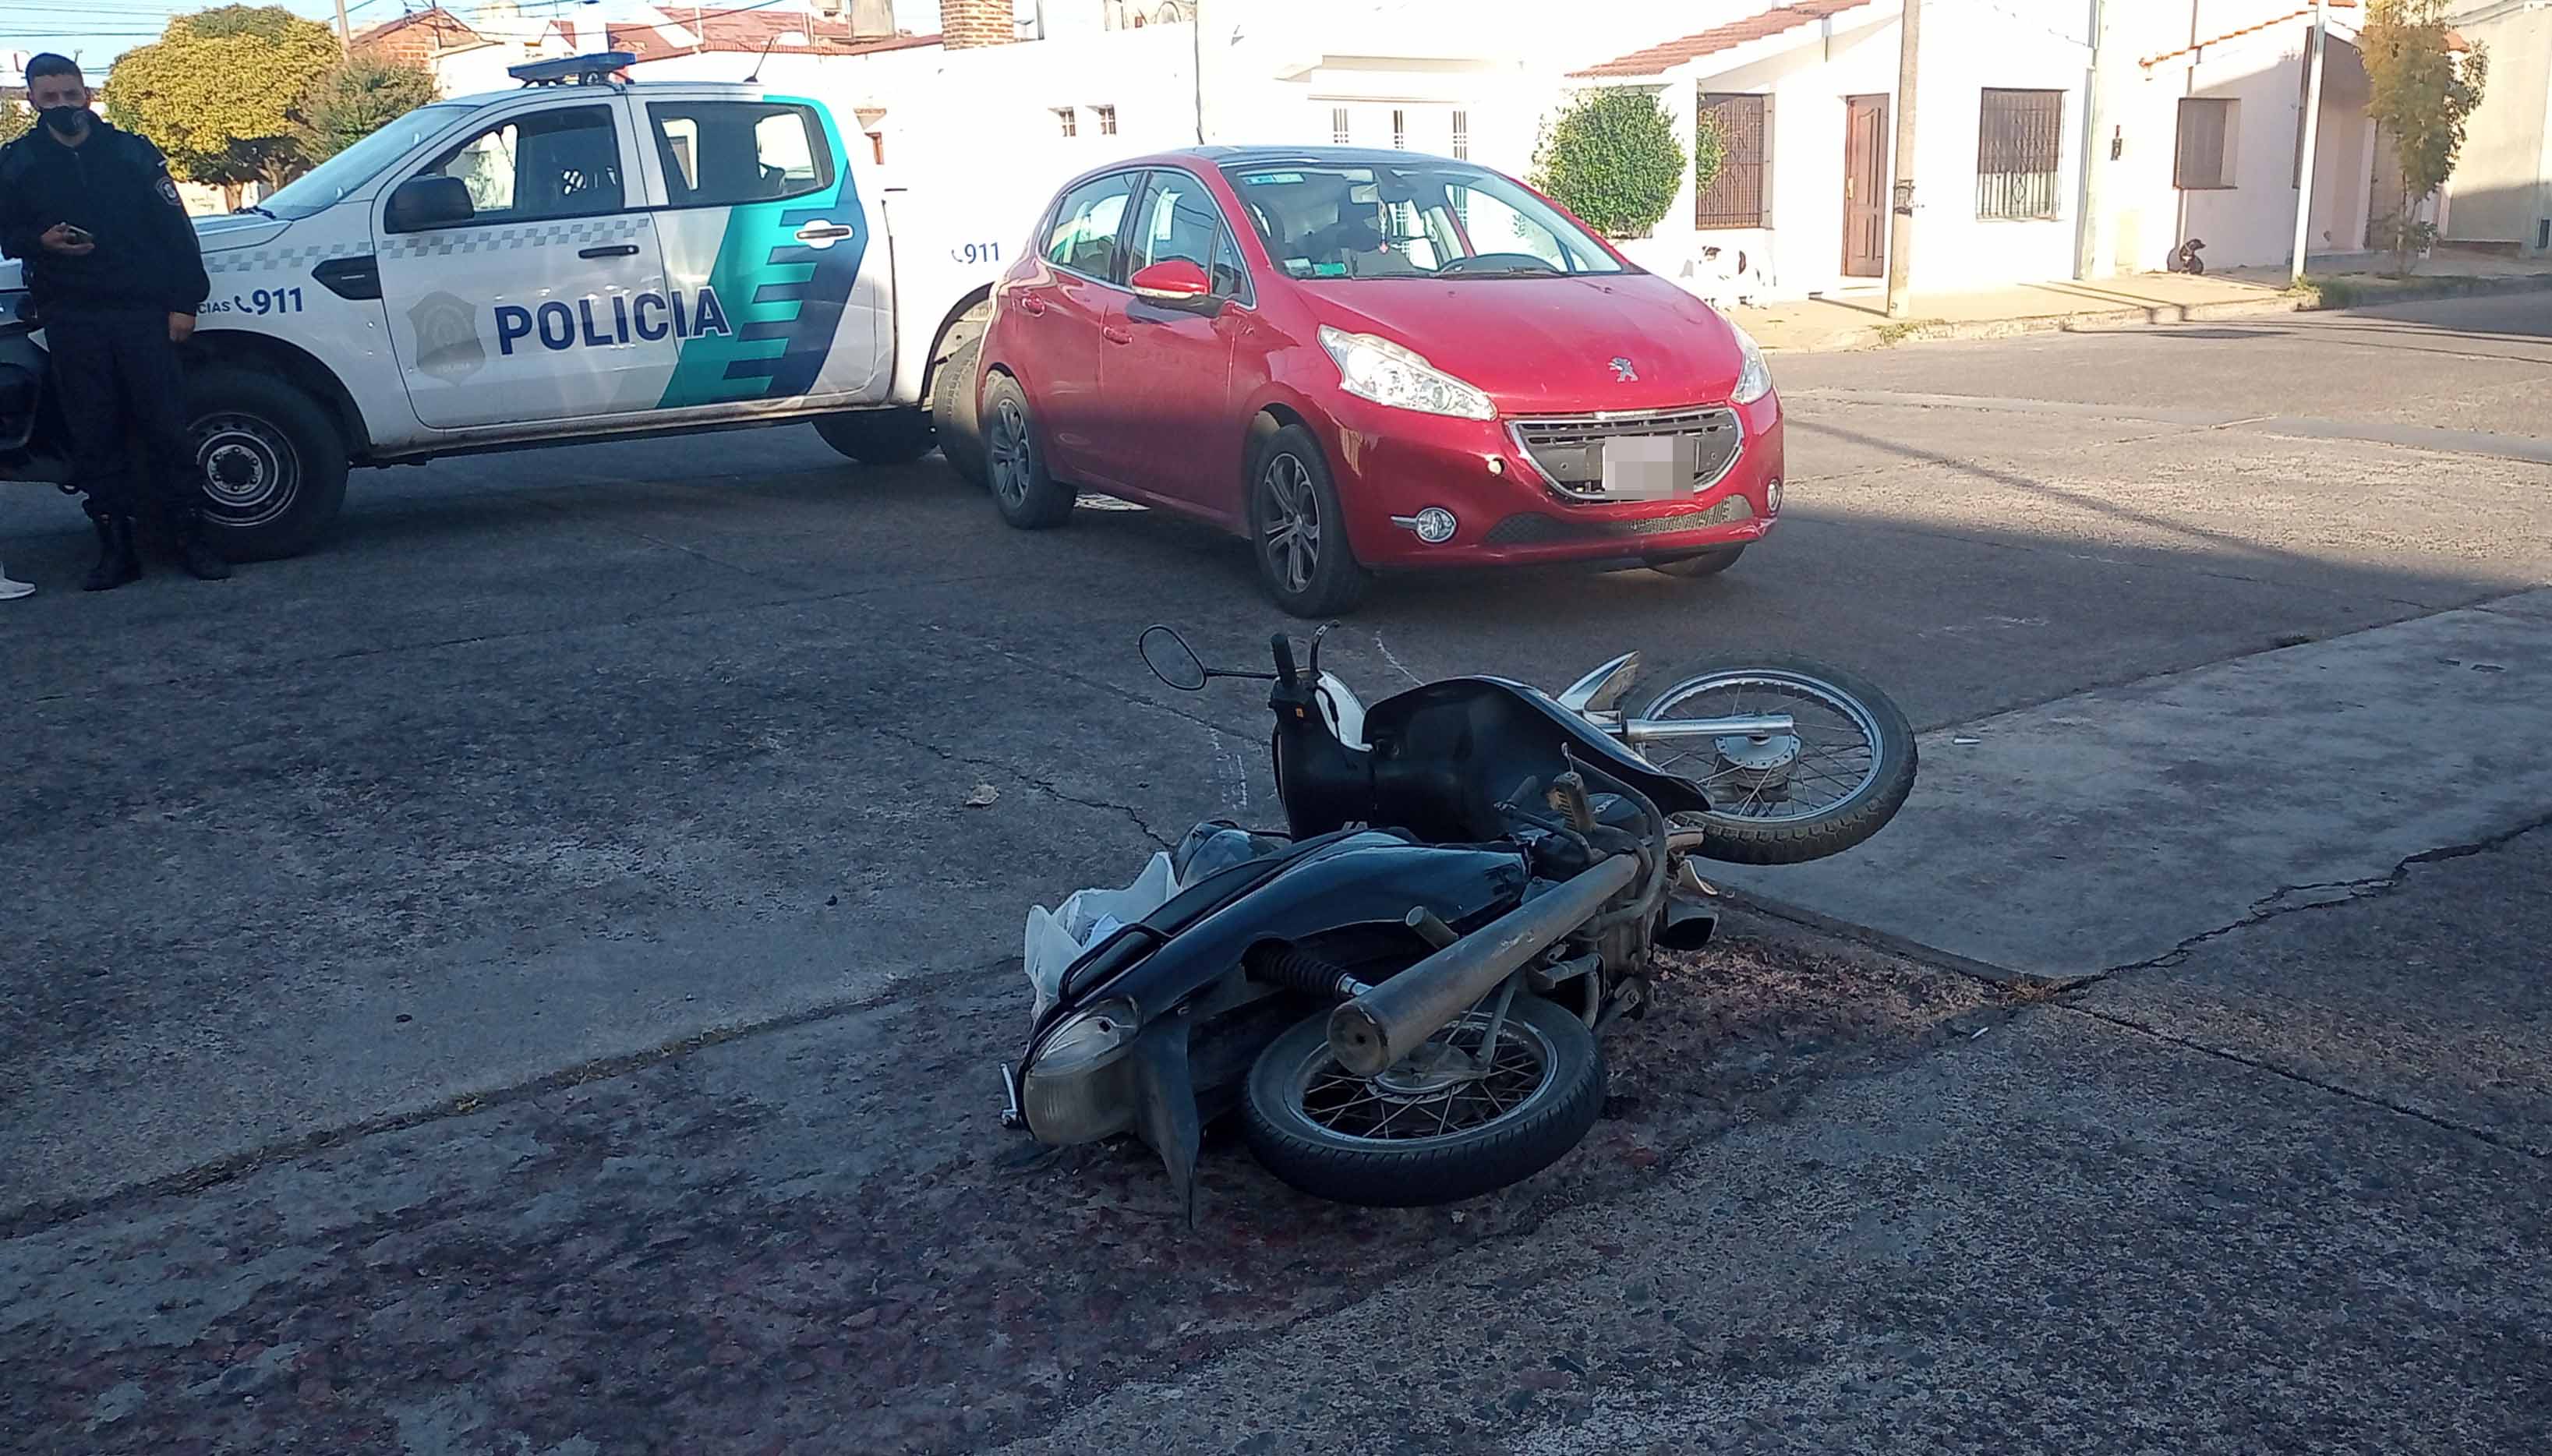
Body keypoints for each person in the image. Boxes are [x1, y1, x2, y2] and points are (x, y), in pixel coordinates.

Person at [0, 53, 228, 590]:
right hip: (72, 317)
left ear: (86, 94)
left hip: (142, 313)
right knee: (94, 436)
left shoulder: (130, 154)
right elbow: (7, 234)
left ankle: (193, 542)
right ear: (31, 99)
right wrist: (40, 241)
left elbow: (176, 232)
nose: (62, 106)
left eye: (70, 95)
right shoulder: (17, 164)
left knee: (167, 430)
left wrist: (185, 303)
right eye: (49, 97)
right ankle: (117, 551)